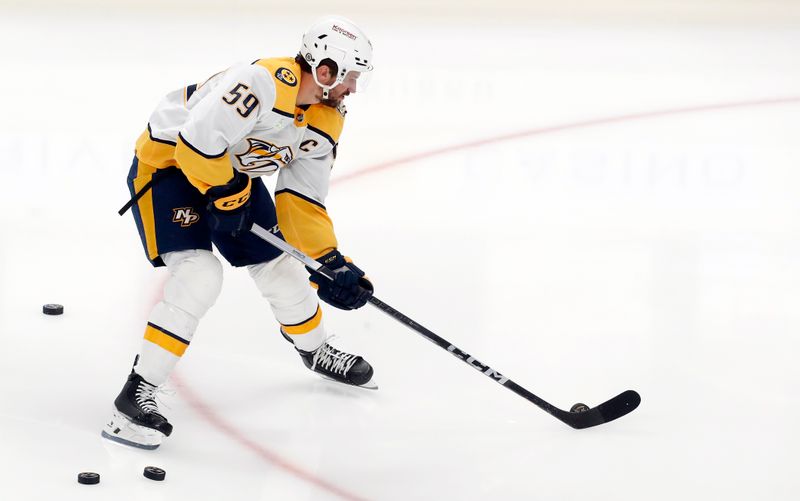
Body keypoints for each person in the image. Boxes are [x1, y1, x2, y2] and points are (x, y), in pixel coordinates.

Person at [102, 16, 377, 450]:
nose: (354, 89)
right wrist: (226, 198)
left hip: (229, 176)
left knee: (282, 268)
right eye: (352, 77)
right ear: (326, 70)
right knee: (199, 275)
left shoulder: (325, 120)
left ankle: (315, 349)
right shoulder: (262, 83)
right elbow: (196, 143)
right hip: (169, 169)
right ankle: (134, 397)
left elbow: (302, 199)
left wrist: (329, 261)